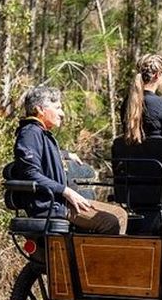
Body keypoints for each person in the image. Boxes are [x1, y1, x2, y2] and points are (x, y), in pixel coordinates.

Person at [12, 86, 127, 235]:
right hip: (52, 205)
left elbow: (42, 155)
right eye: (57, 107)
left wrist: (65, 154)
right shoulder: (30, 133)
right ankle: (97, 258)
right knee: (111, 221)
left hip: (60, 202)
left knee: (120, 214)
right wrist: (66, 191)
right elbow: (30, 173)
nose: (62, 113)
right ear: (40, 109)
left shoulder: (40, 133)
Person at [121, 53, 162, 144]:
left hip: (129, 158)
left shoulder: (127, 103)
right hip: (158, 157)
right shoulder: (161, 104)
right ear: (157, 75)